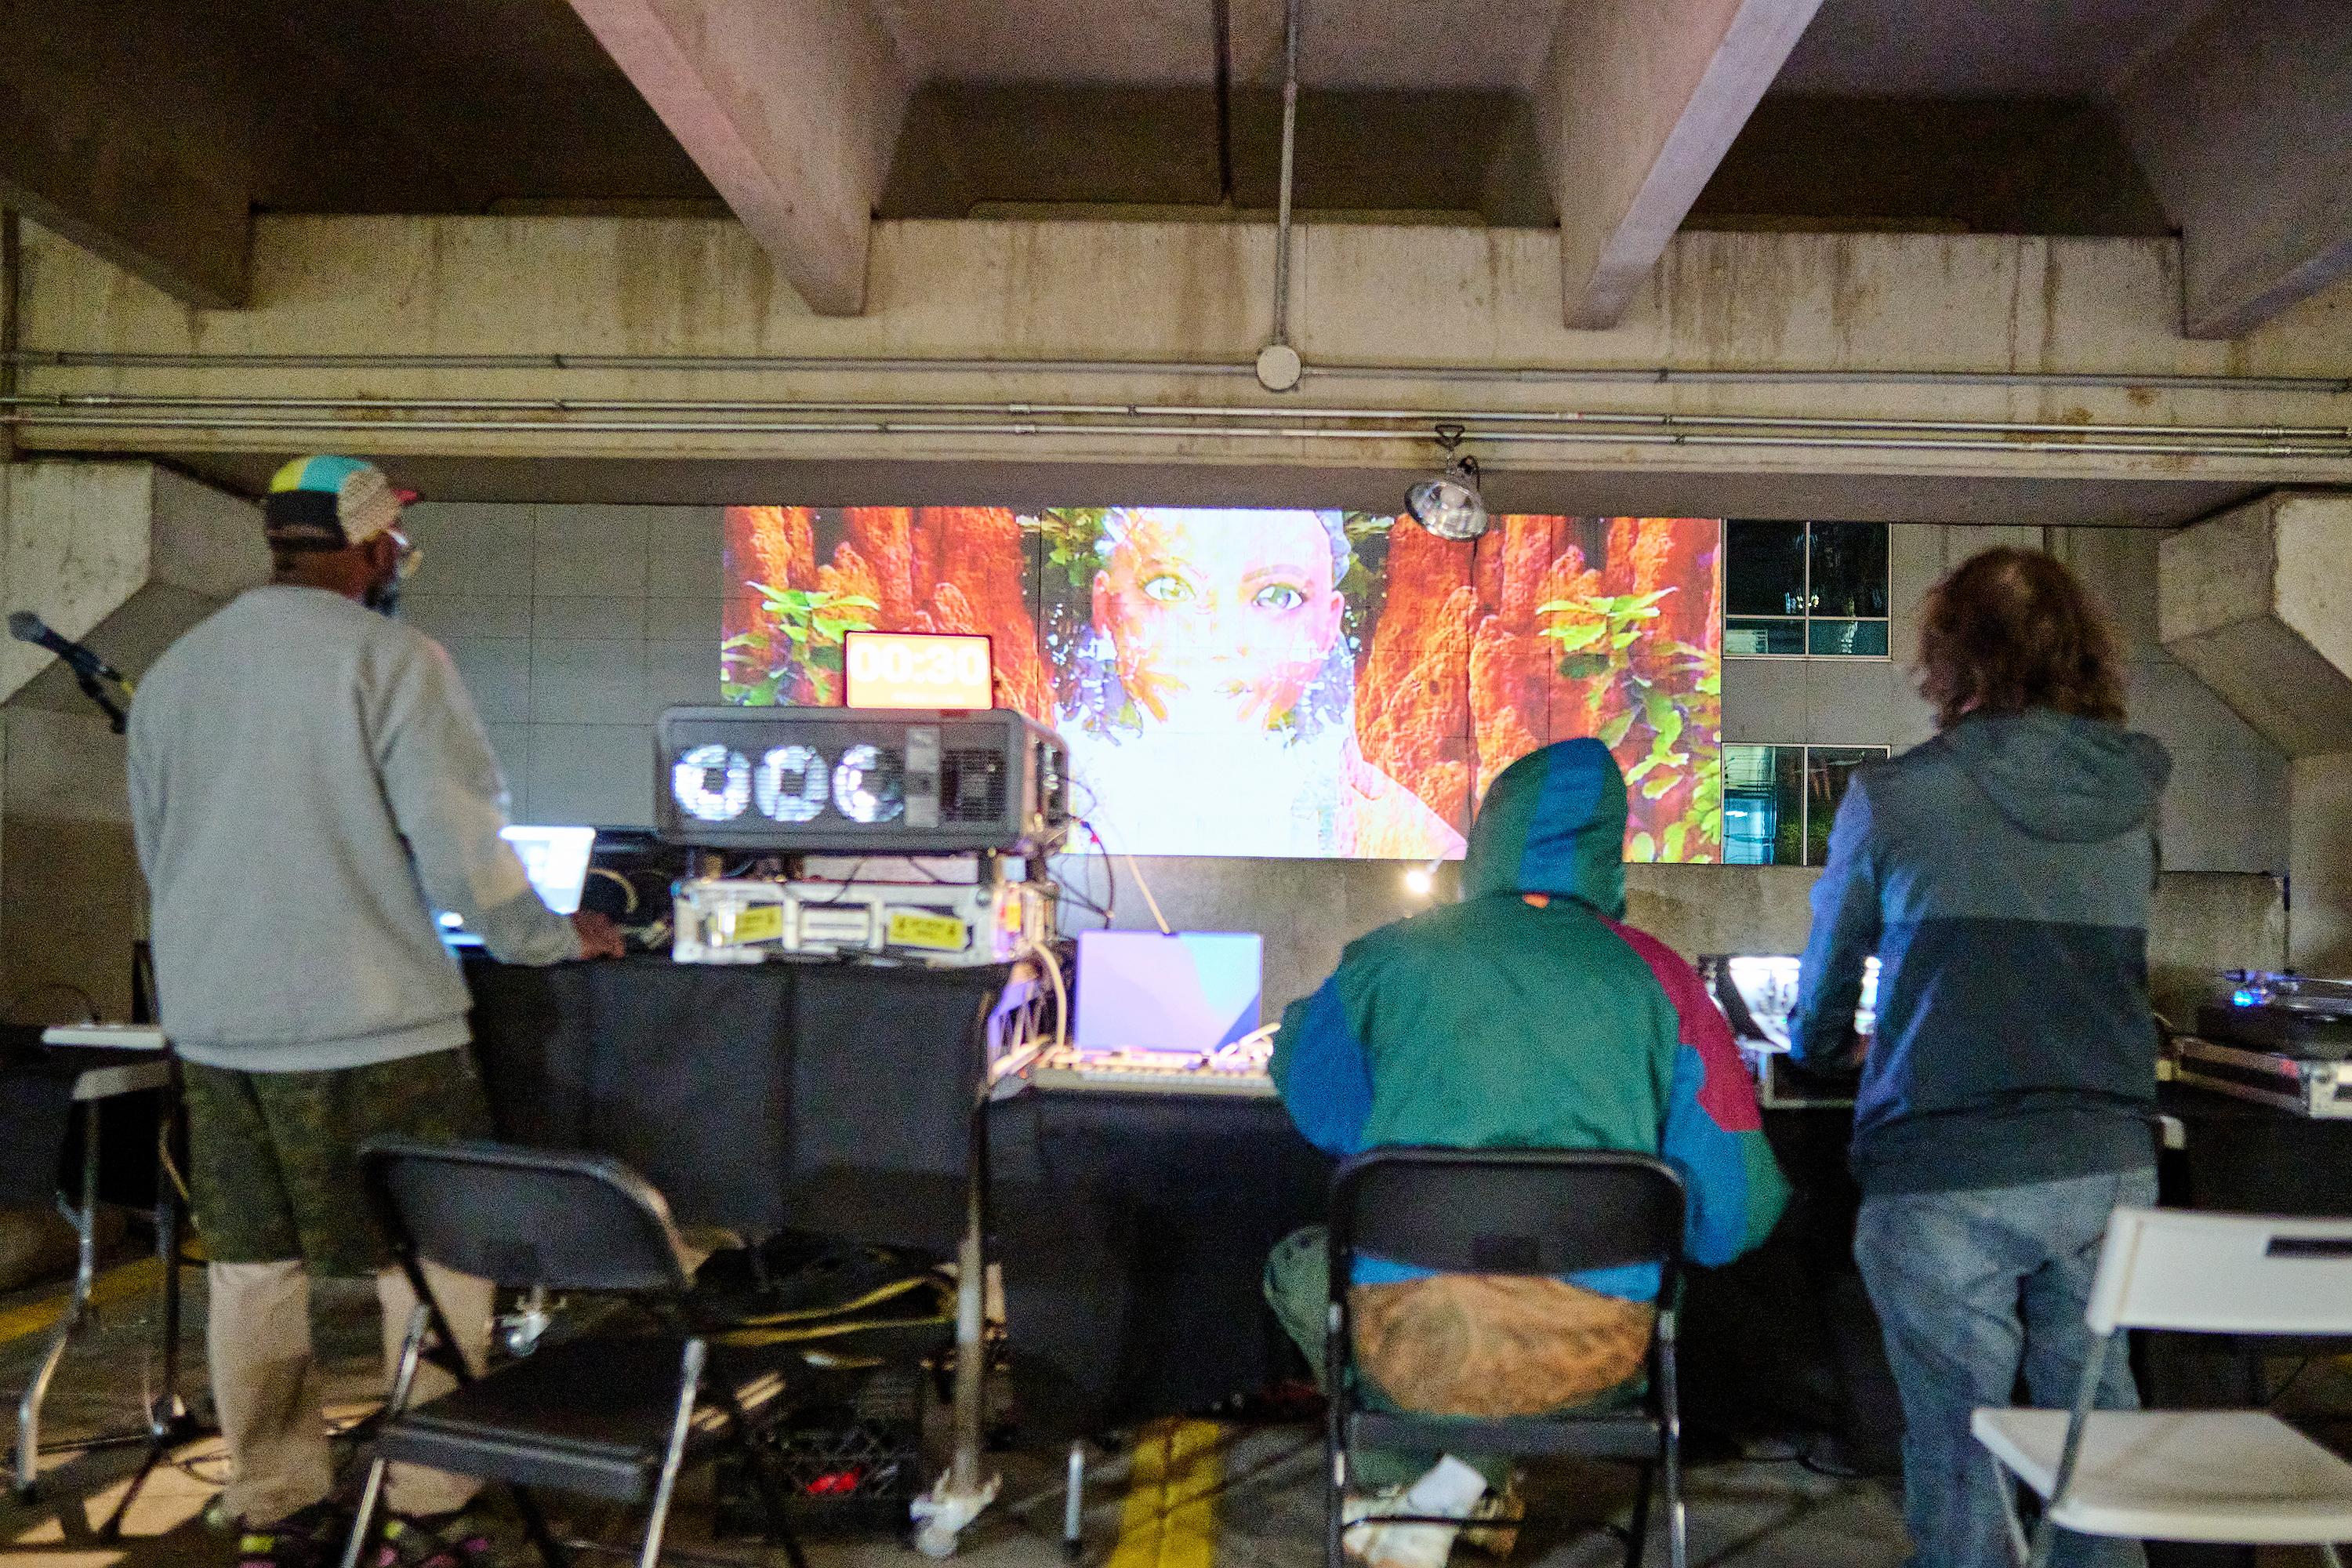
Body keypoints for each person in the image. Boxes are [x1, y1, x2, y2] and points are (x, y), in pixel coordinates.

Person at [127, 456, 624, 1568]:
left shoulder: (178, 670)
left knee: (254, 1264)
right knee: (434, 1256)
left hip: (216, 1027)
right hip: (375, 1019)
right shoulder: (394, 659)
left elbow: (160, 854)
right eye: (394, 540)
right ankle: (431, 1494)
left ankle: (272, 1493)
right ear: (369, 549)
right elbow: (461, 848)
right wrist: (548, 936)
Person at [1264, 738, 1788, 1568]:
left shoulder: (1392, 954)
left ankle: (1408, 1482)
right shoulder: (1665, 980)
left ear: (1489, 837)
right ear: (1609, 849)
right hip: (1596, 1355)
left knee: (1299, 1263)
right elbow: (1733, 1217)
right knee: (1646, 1289)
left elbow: (1320, 1101)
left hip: (1409, 1339)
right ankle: (1463, 1482)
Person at [1789, 547, 2171, 1568]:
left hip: (1948, 1164)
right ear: (2085, 655)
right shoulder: (2137, 794)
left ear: (1946, 661)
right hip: (2107, 1159)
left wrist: (1832, 1049)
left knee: (1963, 1443)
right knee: (2097, 1430)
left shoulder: (1896, 797)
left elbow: (1822, 998)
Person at [1062, 506, 1465, 858]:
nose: (1219, 641)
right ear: (1106, 606)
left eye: (1277, 597)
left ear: (1328, 626)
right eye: (1170, 589)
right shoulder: (1048, 817)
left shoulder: (1408, 840)